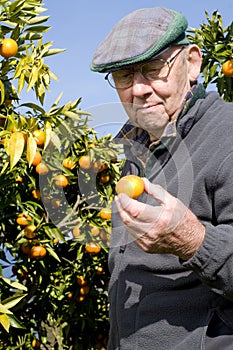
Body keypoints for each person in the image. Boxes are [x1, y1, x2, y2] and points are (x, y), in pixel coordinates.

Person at [91, 6, 233, 350]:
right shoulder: (135, 153)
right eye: (124, 76)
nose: (138, 89)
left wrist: (192, 240)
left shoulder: (227, 134)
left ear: (193, 62)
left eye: (154, 69)